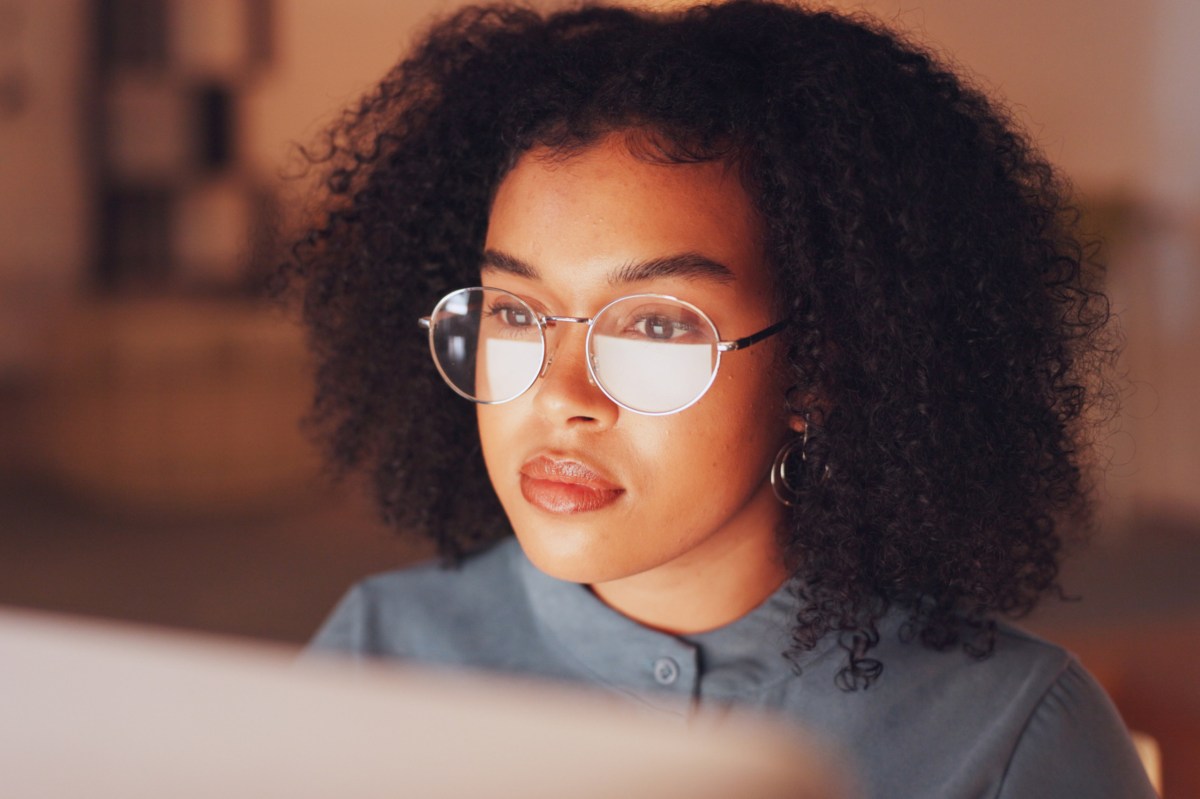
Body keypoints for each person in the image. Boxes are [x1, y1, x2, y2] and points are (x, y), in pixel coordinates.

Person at [278, 2, 1157, 796]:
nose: (561, 396)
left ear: (817, 366)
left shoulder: (1008, 737)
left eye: (655, 327)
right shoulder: (380, 651)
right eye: (514, 311)